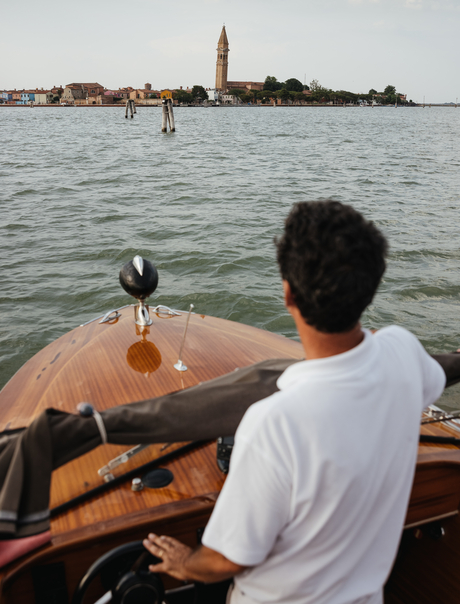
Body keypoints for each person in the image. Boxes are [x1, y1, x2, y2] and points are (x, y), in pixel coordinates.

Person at [143, 200, 446, 604]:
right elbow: (414, 375)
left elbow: (224, 561)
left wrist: (185, 563)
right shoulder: (405, 353)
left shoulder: (273, 424)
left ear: (288, 294)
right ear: (371, 286)